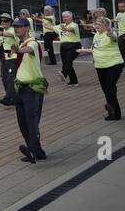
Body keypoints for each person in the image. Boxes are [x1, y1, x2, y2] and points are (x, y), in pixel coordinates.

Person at [11, 17, 48, 163]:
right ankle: (36, 152)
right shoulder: (21, 43)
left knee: (31, 121)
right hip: (20, 87)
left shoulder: (32, 42)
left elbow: (29, 50)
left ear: (27, 27)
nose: (16, 29)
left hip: (32, 88)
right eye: (15, 26)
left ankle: (33, 150)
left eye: (19, 26)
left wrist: (19, 50)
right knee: (22, 121)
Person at [92, 16, 124, 120]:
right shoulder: (96, 35)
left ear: (106, 26)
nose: (97, 26)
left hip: (114, 64)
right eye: (96, 24)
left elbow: (113, 37)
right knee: (106, 89)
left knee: (110, 88)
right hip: (100, 66)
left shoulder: (111, 33)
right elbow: (95, 48)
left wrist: (110, 32)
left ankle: (111, 108)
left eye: (100, 24)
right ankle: (114, 112)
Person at [57, 10, 81, 86]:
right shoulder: (61, 25)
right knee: (67, 63)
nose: (64, 18)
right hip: (63, 46)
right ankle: (74, 81)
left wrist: (66, 29)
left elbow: (71, 29)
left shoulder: (74, 25)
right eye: (63, 17)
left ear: (71, 18)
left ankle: (64, 73)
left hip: (74, 45)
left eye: (66, 17)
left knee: (67, 61)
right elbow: (51, 27)